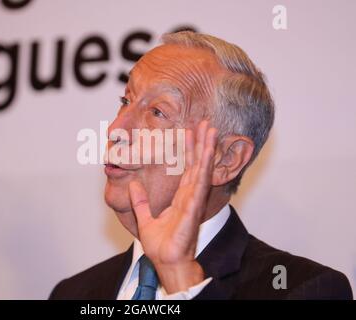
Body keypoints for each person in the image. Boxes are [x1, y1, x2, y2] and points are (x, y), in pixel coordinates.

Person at [49, 31, 353, 300]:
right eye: (125, 100)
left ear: (227, 159)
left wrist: (181, 280)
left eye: (157, 111)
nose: (116, 128)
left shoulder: (305, 289)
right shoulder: (72, 292)